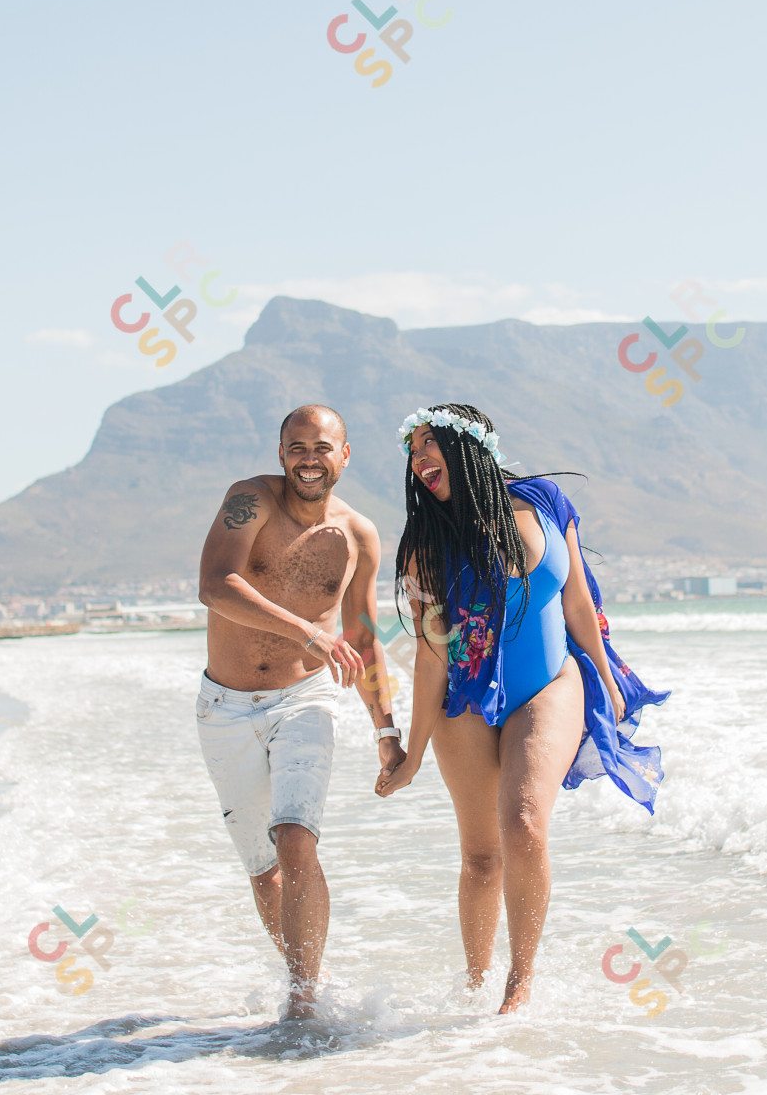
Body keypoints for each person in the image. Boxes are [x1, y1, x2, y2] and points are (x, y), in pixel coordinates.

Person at [376, 403, 668, 1012]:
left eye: (430, 443)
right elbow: (431, 657)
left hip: (549, 687)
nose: (418, 457)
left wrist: (609, 678)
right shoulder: (426, 547)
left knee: (524, 825)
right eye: (412, 449)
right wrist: (412, 755)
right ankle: (474, 984)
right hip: (465, 698)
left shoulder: (544, 503)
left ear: (469, 448)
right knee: (482, 858)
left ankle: (519, 982)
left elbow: (578, 601)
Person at [195, 403, 405, 1020]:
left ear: (345, 455)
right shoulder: (251, 499)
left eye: (322, 448)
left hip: (305, 698)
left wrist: (386, 729)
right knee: (264, 869)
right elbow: (215, 584)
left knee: (295, 839)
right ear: (281, 452)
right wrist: (309, 632)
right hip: (225, 705)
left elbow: (362, 637)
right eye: (298, 447)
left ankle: (303, 1002)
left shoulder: (360, 534)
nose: (309, 460)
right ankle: (307, 975)